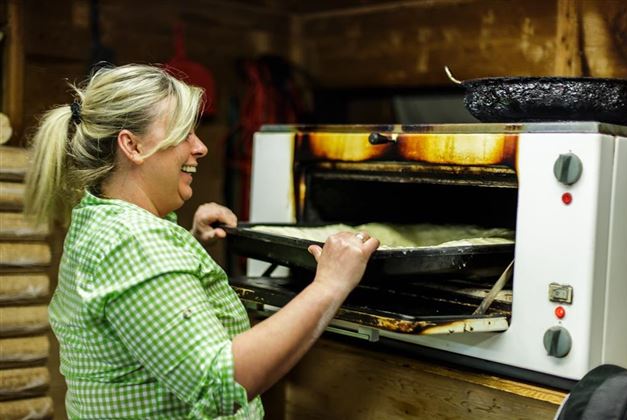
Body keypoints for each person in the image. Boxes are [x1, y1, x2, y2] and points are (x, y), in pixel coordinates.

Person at [24, 64, 379, 419]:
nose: (201, 147)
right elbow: (219, 384)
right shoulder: (135, 242)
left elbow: (142, 314)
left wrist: (189, 246)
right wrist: (329, 284)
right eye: (183, 133)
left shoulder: (99, 217)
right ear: (132, 145)